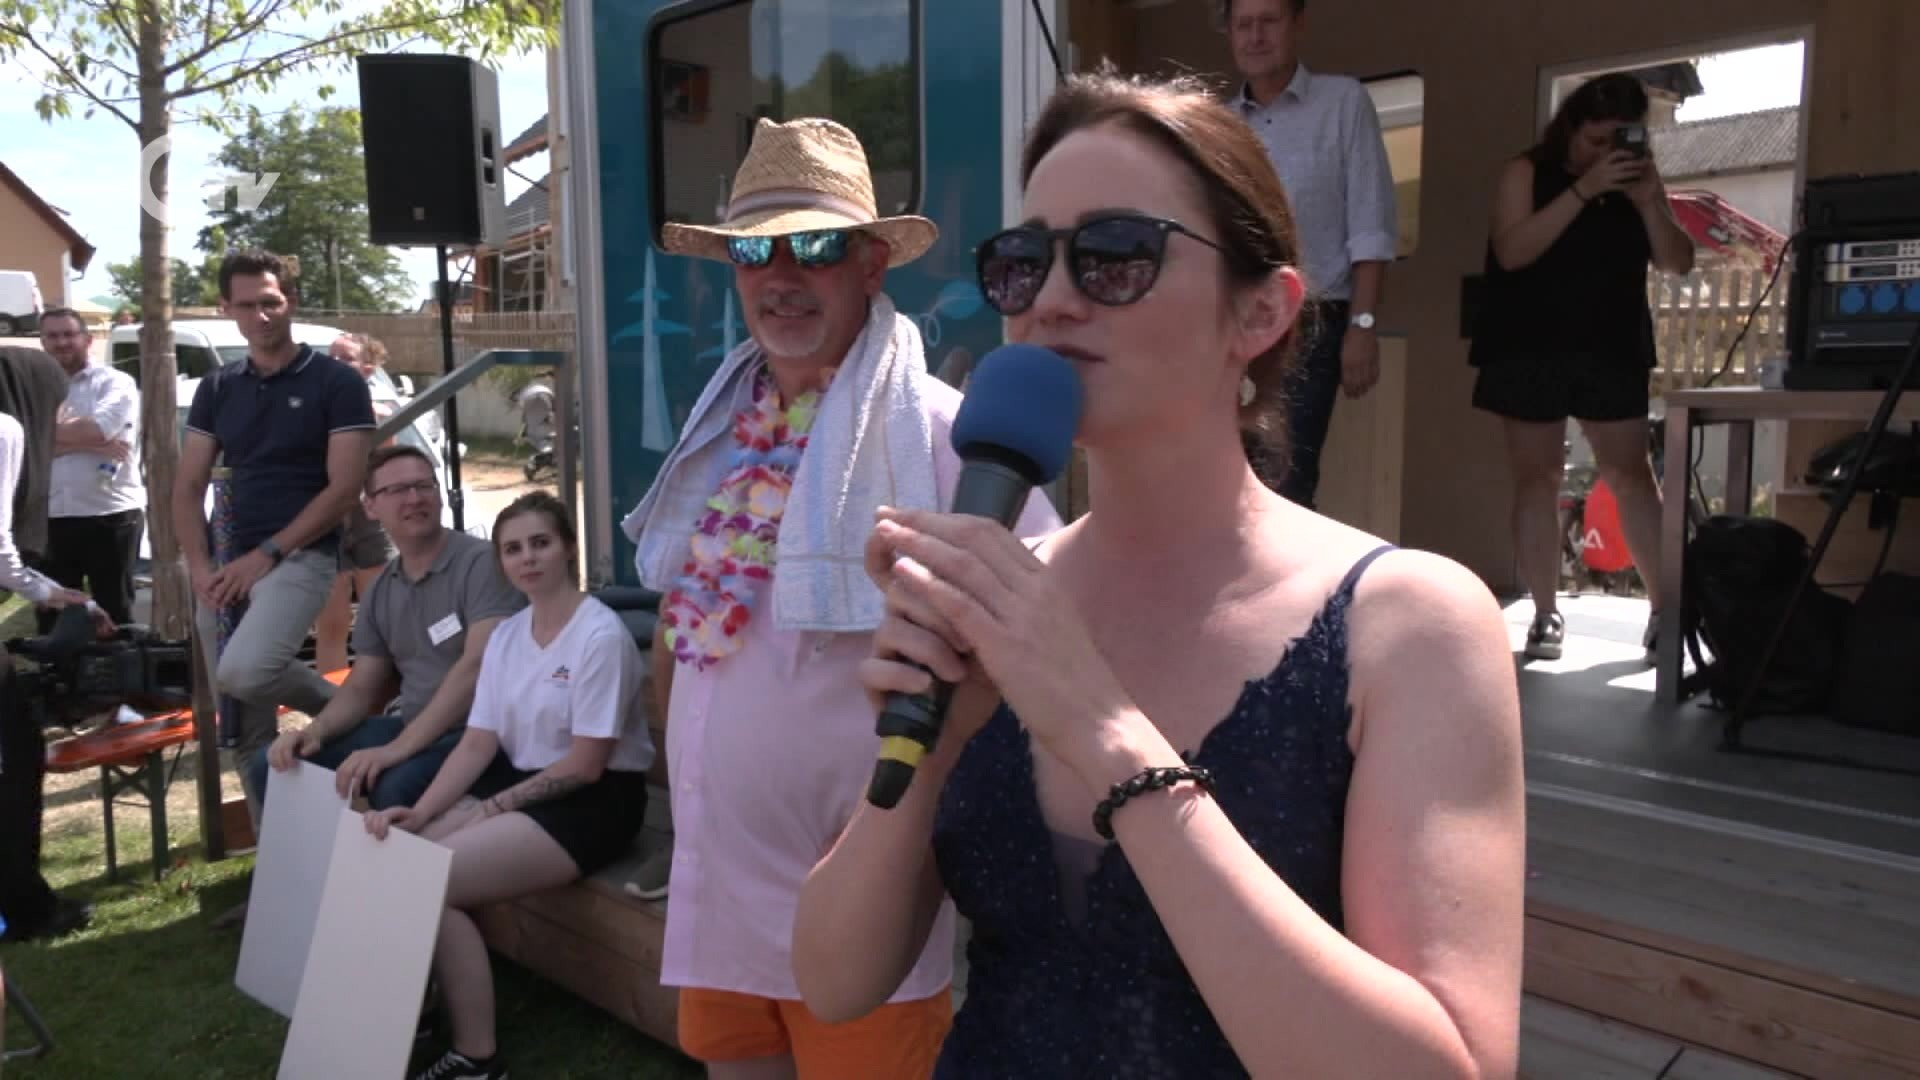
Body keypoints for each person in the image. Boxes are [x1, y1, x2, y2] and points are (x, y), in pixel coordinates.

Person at [791, 72, 1526, 1078]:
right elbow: (834, 979)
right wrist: (931, 745)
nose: (1051, 299)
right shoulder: (1002, 606)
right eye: (1021, 264)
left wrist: (1105, 732)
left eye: (1114, 256)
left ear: (1260, 312)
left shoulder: (1412, 625)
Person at [621, 116, 1060, 1079]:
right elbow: (681, 626)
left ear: (871, 263)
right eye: (754, 250)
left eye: (815, 245)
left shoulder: (946, 437)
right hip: (720, 887)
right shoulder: (716, 431)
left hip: (863, 901)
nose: (780, 275)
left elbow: (1045, 651)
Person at [365, 491, 654, 1080]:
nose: (528, 558)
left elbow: (585, 766)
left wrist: (490, 810)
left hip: (595, 800)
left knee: (428, 881)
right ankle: (416, 1010)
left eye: (540, 543)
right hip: (526, 781)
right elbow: (477, 744)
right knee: (402, 857)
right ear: (501, 561)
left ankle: (476, 1057)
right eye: (513, 549)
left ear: (568, 548)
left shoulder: (599, 636)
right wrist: (420, 813)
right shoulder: (507, 636)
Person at [1467, 72, 1693, 662]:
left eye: (1620, 139)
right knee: (1537, 477)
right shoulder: (1527, 171)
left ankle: (1665, 612)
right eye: (1595, 140)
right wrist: (1583, 190)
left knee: (1630, 474)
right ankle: (1545, 613)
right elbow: (1512, 251)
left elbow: (1678, 262)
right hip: (1529, 341)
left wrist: (1650, 203)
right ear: (1570, 128)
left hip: (1610, 342)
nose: (1605, 152)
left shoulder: (1638, 180)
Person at [177, 250, 377, 825]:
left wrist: (267, 555)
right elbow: (186, 486)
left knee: (244, 671)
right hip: (226, 560)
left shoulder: (336, 381)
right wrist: (200, 570)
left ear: (291, 301)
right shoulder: (218, 386)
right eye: (246, 305)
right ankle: (276, 863)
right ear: (226, 309)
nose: (260, 315)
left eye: (270, 302)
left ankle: (348, 709)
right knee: (244, 728)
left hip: (300, 556)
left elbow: (344, 489)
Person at [256, 445, 524, 811]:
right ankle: (316, 851)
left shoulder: (482, 564)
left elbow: (476, 667)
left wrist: (397, 750)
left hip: (483, 734)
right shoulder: (383, 589)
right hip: (413, 728)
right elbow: (361, 686)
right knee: (271, 766)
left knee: (393, 785)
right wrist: (313, 732)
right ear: (370, 507)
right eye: (397, 490)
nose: (414, 498)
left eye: (424, 486)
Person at [1224, 0, 1398, 510]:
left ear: (1298, 24)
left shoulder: (1343, 102)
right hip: (1232, 319)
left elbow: (1370, 222)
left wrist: (1363, 325)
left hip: (1313, 322)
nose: (1256, 36)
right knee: (1227, 471)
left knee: (1287, 478)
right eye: (1243, 25)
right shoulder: (1222, 125)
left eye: (1269, 21)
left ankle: (1287, 568)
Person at [0, 345, 114, 943]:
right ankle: (25, 907)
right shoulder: (5, 430)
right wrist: (54, 593)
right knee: (16, 756)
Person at [37, 306, 146, 631]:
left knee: (115, 611)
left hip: (110, 514)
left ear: (87, 339)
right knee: (52, 615)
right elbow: (23, 442)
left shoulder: (116, 382)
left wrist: (47, 436)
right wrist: (89, 443)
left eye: (69, 334)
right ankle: (59, 665)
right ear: (42, 342)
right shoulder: (34, 387)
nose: (61, 342)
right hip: (49, 516)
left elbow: (99, 430)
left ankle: (118, 666)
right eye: (52, 336)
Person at [314, 333, 398, 675]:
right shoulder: (312, 409)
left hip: (367, 519)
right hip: (325, 519)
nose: (334, 363)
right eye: (330, 355)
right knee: (331, 623)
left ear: (367, 369)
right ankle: (333, 696)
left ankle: (381, 693)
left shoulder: (381, 414)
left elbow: (385, 467)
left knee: (379, 619)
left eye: (345, 358)